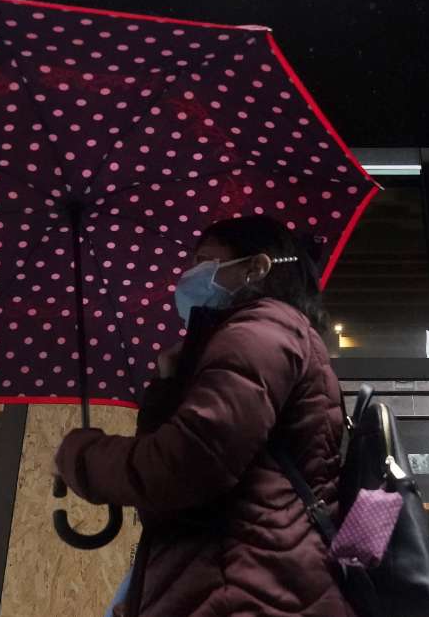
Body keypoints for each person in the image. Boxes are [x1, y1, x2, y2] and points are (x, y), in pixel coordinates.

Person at [55, 215, 355, 617]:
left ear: (256, 267)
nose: (188, 275)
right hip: (240, 584)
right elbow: (170, 499)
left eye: (205, 260)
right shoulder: (261, 336)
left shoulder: (259, 333)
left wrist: (79, 455)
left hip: (244, 592)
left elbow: (186, 466)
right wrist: (167, 384)